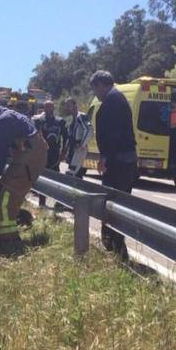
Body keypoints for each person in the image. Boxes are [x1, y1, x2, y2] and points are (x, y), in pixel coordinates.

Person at [0, 94, 48, 252]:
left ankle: (10, 244)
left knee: (6, 196)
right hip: (25, 156)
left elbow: (0, 156)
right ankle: (3, 234)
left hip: (30, 157)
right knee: (0, 194)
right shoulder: (4, 117)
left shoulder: (4, 120)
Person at [90, 70, 137, 256]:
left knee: (112, 203)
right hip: (126, 158)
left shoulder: (111, 102)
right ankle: (113, 244)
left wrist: (104, 158)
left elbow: (111, 135)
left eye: (95, 89)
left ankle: (115, 245)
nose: (95, 94)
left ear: (101, 84)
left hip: (117, 160)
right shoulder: (119, 98)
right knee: (118, 202)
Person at [32, 100, 68, 171]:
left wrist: (64, 152)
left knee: (54, 171)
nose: (48, 109)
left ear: (53, 108)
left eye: (50, 107)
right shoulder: (38, 121)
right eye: (46, 107)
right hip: (41, 152)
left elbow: (66, 137)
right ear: (44, 108)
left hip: (55, 152)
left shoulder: (60, 121)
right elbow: (33, 136)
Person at [62, 98, 93, 177]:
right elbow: (70, 135)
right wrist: (66, 149)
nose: (68, 107)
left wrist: (81, 144)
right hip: (73, 149)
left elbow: (89, 130)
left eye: (69, 105)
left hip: (79, 149)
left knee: (74, 172)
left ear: (75, 105)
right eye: (67, 106)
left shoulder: (81, 117)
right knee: (72, 172)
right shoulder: (72, 119)